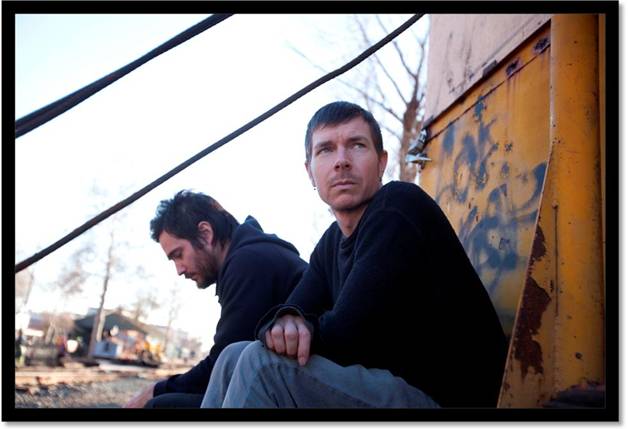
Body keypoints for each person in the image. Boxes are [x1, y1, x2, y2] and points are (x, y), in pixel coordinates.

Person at [200, 101, 508, 408]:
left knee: (261, 364)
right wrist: (284, 321)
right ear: (310, 172)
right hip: (388, 390)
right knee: (232, 356)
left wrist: (296, 329)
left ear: (381, 162)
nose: (341, 161)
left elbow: (347, 337)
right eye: (326, 150)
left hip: (450, 400)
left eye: (357, 145)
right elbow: (289, 313)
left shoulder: (398, 207)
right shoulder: (332, 242)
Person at [124, 190, 307, 408]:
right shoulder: (250, 256)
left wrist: (155, 390)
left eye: (178, 255)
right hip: (288, 386)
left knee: (160, 405)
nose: (179, 270)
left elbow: (223, 365)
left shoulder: (249, 262)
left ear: (205, 234)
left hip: (303, 393)